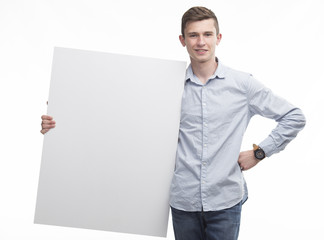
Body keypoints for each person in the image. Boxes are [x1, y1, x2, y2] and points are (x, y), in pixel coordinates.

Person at [41, 6, 306, 240]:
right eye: (193, 35)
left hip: (225, 201)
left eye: (207, 34)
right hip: (183, 202)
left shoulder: (243, 85)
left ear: (218, 38)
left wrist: (260, 152)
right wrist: (64, 118)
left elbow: (294, 116)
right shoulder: (165, 85)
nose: (200, 42)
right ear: (183, 40)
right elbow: (118, 116)